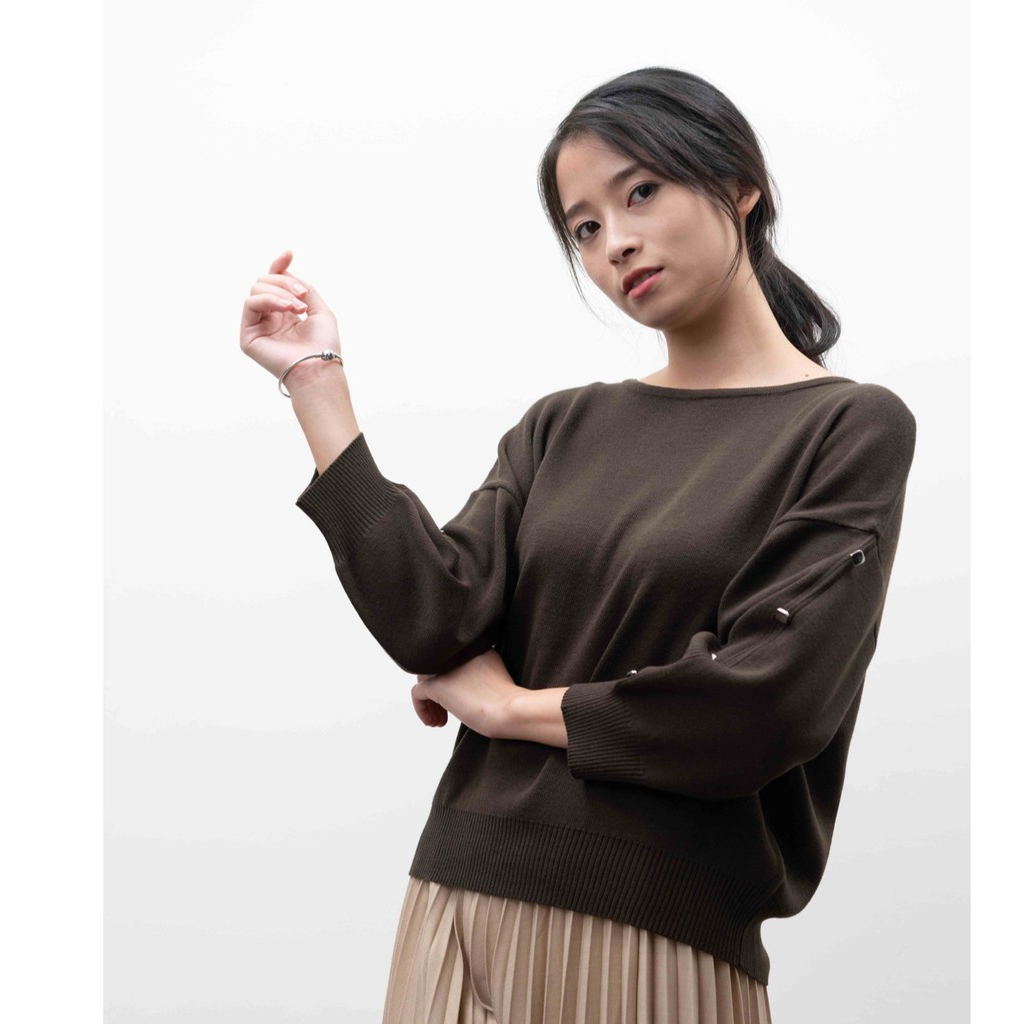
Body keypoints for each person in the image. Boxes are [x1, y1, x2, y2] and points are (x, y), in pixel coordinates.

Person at [238, 67, 916, 1024]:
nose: (615, 244)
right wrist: (316, 384)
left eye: (641, 193)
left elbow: (765, 701)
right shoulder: (563, 425)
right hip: (454, 902)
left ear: (739, 184)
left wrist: (511, 710)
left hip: (655, 933)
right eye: (585, 228)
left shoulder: (846, 426)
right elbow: (432, 619)